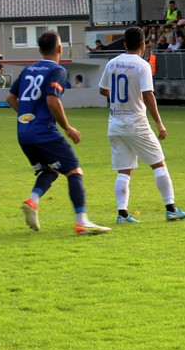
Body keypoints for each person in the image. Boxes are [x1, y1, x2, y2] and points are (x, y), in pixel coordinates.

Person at [10, 31, 110, 235]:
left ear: (39, 50)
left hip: (24, 133)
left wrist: (28, 116)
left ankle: (32, 201)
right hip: (44, 132)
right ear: (60, 49)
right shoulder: (57, 70)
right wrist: (67, 127)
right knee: (74, 170)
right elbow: (52, 100)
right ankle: (82, 222)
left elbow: (11, 98)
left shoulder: (28, 69)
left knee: (50, 169)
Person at [98, 27, 185, 224]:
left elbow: (103, 89)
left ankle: (122, 214)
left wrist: (119, 99)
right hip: (136, 122)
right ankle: (171, 208)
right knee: (158, 163)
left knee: (124, 170)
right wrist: (159, 123)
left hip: (115, 123)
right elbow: (148, 95)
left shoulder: (112, 63)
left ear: (124, 44)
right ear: (143, 45)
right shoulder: (142, 65)